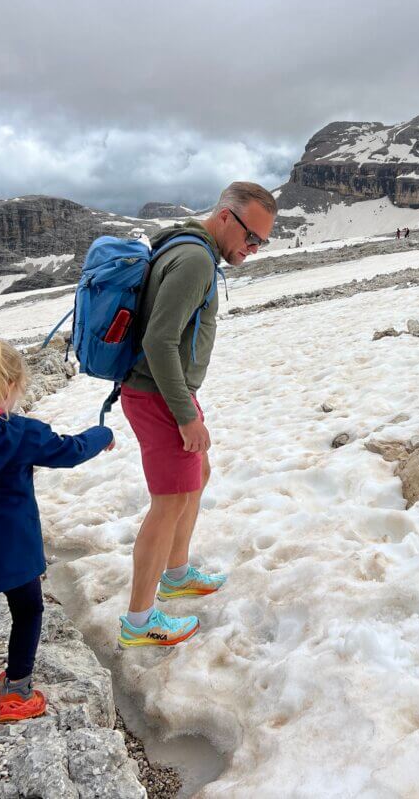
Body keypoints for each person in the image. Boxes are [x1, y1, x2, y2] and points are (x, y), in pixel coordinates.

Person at [0, 333, 114, 725]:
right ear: (12, 386)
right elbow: (70, 450)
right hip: (13, 551)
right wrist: (102, 434)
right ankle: (17, 692)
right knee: (27, 610)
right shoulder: (22, 433)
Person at [118, 181, 276, 647]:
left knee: (197, 474)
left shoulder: (190, 246)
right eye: (251, 238)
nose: (254, 249)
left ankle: (177, 572)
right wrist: (186, 415)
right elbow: (159, 342)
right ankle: (139, 622)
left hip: (166, 392)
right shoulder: (194, 260)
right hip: (161, 397)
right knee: (169, 501)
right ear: (226, 217)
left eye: (262, 242)